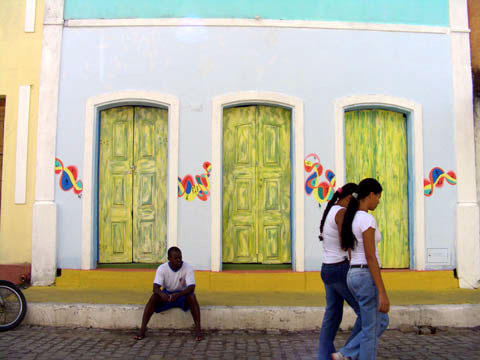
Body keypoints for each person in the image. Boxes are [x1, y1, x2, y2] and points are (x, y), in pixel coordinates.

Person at [332, 178, 389, 360]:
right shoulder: (366, 219)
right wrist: (382, 291)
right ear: (371, 195)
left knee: (377, 322)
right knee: (370, 331)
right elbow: (370, 256)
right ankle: (346, 354)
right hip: (365, 274)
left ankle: (345, 354)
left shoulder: (352, 217)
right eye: (378, 197)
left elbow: (348, 250)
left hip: (353, 274)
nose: (379, 201)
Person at [317, 183, 362, 360]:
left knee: (332, 317)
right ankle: (347, 353)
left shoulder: (331, 210)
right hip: (339, 269)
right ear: (350, 198)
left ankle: (324, 356)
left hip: (327, 268)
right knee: (365, 312)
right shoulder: (341, 213)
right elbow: (346, 242)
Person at [134, 246, 203, 341]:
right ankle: (142, 330)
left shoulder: (188, 268)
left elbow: (191, 287)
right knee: (154, 297)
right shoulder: (162, 268)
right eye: (176, 258)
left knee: (192, 296)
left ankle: (198, 330)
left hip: (181, 295)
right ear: (169, 259)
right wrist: (163, 295)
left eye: (180, 257)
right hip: (167, 294)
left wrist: (178, 295)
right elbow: (155, 287)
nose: (179, 260)